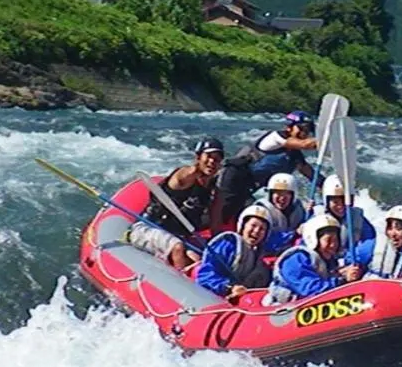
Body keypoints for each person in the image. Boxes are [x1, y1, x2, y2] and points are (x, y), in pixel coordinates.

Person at [128, 136, 223, 270]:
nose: (212, 161)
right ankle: (183, 284)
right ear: (198, 157)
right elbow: (185, 174)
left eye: (217, 159)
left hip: (179, 234)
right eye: (208, 156)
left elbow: (216, 222)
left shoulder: (213, 190)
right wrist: (196, 170)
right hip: (149, 228)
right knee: (177, 247)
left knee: (197, 258)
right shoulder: (184, 176)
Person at [212, 111, 318, 230]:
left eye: (307, 130)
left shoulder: (295, 156)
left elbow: (312, 175)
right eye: (301, 128)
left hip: (248, 186)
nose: (303, 133)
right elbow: (304, 144)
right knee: (223, 210)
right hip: (233, 177)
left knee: (246, 215)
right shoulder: (276, 137)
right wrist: (327, 138)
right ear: (289, 127)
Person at [263, 213, 362, 304]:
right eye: (328, 240)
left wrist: (341, 273)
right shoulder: (295, 260)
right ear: (313, 239)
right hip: (284, 309)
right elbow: (310, 289)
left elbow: (326, 278)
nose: (333, 245)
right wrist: (343, 280)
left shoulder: (327, 260)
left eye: (336, 240)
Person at [195, 203, 273, 302]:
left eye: (262, 229)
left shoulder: (258, 258)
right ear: (243, 226)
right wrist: (229, 288)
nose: (256, 231)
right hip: (211, 298)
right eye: (253, 225)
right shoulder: (228, 245)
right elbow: (205, 276)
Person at [318, 174, 376, 250]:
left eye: (345, 201)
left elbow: (369, 241)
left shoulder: (357, 218)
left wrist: (354, 257)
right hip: (322, 260)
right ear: (327, 202)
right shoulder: (317, 217)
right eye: (335, 202)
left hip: (349, 259)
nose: (340, 206)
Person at [253, 172, 307, 254]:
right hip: (264, 255)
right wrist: (294, 234)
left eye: (286, 194)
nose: (282, 198)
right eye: (277, 193)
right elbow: (266, 241)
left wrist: (309, 215)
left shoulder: (298, 209)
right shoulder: (262, 210)